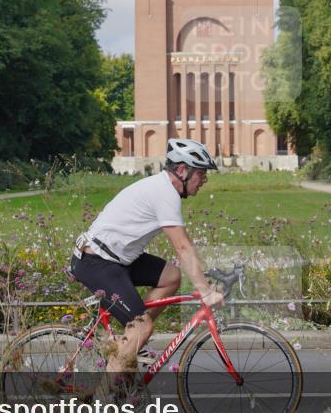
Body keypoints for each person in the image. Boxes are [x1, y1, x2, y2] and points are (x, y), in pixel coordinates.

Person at [70, 138, 224, 380]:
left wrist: (203, 278)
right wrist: (204, 290)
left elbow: (186, 245)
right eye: (201, 173)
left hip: (118, 258)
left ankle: (129, 345)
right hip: (96, 261)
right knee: (142, 326)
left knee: (171, 277)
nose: (204, 180)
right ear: (182, 171)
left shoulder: (164, 189)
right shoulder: (164, 193)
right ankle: (103, 402)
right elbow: (182, 247)